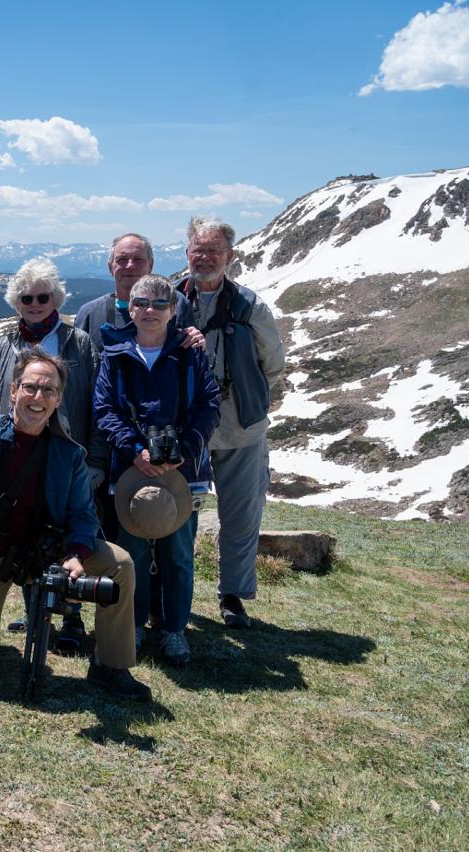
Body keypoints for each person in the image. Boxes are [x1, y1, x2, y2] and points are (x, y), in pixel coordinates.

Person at [0, 350, 150, 699]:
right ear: (13, 390)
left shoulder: (69, 455)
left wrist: (77, 554)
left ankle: (110, 666)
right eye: (31, 387)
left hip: (45, 555)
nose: (38, 397)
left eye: (49, 390)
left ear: (59, 399)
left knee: (121, 564)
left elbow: (83, 514)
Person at [93, 275, 221, 664]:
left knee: (178, 552)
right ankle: (132, 623)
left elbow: (209, 404)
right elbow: (104, 408)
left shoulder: (189, 353)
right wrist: (134, 449)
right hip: (131, 467)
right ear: (129, 308)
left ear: (173, 310)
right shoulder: (114, 353)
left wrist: (186, 446)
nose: (150, 310)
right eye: (142, 303)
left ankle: (174, 629)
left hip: (182, 469)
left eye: (160, 304)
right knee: (129, 551)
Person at [0, 257, 105, 647]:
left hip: (69, 456)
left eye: (43, 296)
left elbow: (96, 403)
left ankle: (72, 618)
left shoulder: (78, 343)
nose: (34, 303)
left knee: (68, 532)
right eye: (26, 297)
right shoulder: (5, 345)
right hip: (17, 455)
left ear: (56, 299)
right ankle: (36, 613)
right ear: (16, 302)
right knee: (27, 533)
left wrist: (97, 458)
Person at [176, 216, 285, 629]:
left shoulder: (250, 305)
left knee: (241, 513)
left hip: (241, 425)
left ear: (230, 257)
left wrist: (242, 391)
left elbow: (273, 364)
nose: (205, 258)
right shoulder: (169, 300)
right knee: (175, 512)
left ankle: (233, 595)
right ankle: (172, 590)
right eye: (198, 250)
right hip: (187, 427)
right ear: (188, 254)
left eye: (214, 251)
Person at [74, 233, 197, 353]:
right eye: (122, 259)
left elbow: (193, 354)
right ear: (110, 267)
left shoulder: (176, 303)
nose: (130, 265)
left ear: (151, 265)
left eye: (138, 259)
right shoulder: (90, 314)